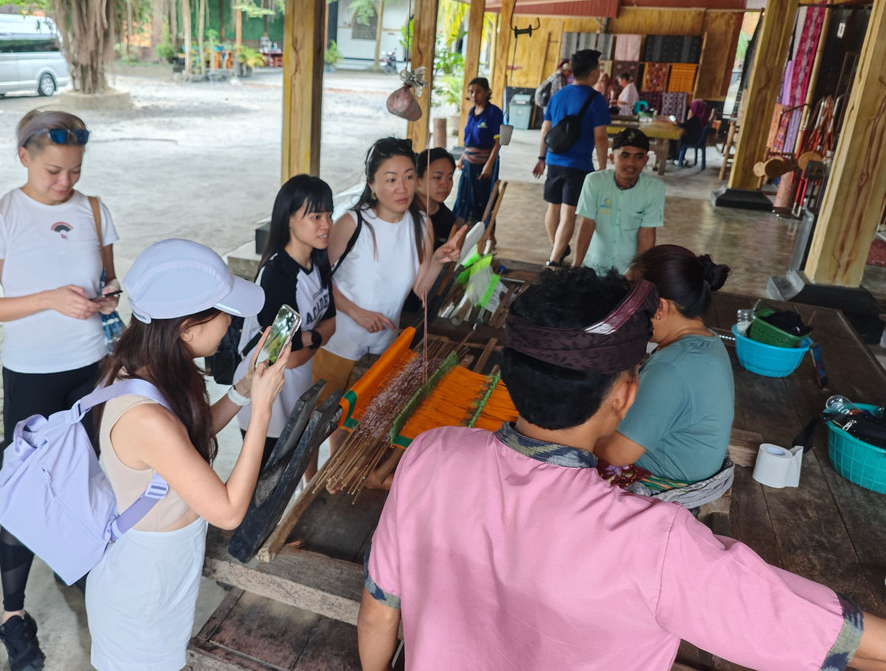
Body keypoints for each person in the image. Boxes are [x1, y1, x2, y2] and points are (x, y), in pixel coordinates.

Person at [358, 266, 886, 671]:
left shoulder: (430, 457)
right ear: (626, 395)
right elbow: (806, 628)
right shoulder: (653, 542)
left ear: (508, 374)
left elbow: (380, 611)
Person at [85, 239, 290, 671]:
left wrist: (245, 389)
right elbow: (230, 511)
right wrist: (265, 408)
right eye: (224, 313)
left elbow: (185, 441)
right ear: (187, 327)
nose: (231, 323)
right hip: (143, 596)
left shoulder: (147, 369)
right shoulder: (145, 418)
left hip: (165, 575)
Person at [0, 109, 121, 671]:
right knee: (26, 489)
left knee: (85, 473)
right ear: (24, 157)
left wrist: (107, 295)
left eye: (75, 171)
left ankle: (73, 561)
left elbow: (110, 279)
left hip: (92, 367)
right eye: (54, 170)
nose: (65, 183)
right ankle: (13, 617)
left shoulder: (94, 210)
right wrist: (50, 299)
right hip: (31, 374)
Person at [310, 137, 463, 400]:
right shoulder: (352, 223)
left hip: (383, 348)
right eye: (391, 179)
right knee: (326, 424)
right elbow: (317, 279)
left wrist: (438, 260)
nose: (402, 188)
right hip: (336, 344)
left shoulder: (422, 224)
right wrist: (356, 313)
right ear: (371, 184)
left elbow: (420, 288)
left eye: (409, 177)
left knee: (358, 426)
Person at [594, 245, 734, 484]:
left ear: (659, 308)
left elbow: (617, 454)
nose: (624, 312)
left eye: (629, 302)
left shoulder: (673, 367)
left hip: (663, 480)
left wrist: (575, 430)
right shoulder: (705, 341)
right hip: (693, 466)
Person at [232, 175, 337, 470]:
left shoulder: (318, 262)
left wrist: (305, 339)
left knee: (293, 466)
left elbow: (332, 325)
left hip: (297, 387)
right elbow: (283, 357)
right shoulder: (278, 275)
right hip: (265, 395)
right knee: (264, 478)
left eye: (329, 214)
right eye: (315, 216)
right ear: (289, 219)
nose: (326, 224)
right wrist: (316, 338)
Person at [533, 48, 611, 268]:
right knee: (569, 212)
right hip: (579, 165)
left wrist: (542, 156)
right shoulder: (596, 100)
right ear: (594, 72)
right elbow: (601, 138)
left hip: (554, 161)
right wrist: (603, 168)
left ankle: (557, 246)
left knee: (553, 207)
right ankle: (555, 259)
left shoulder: (558, 96)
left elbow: (545, 129)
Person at [573, 128, 664, 275]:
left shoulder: (654, 189)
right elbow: (587, 224)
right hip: (594, 265)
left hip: (627, 270)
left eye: (639, 157)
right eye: (625, 155)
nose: (631, 163)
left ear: (646, 160)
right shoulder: (594, 181)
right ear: (612, 157)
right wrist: (576, 265)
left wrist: (638, 271)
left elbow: (647, 233)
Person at [403, 148, 457, 317]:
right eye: (437, 177)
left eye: (450, 178)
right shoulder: (402, 214)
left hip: (423, 300)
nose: (445, 184)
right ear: (417, 180)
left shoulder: (448, 219)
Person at [452, 77, 502, 226]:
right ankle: (463, 234)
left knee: (484, 201)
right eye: (471, 92)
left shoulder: (494, 112)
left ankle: (488, 237)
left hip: (484, 166)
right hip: (469, 165)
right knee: (464, 200)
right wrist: (462, 157)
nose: (474, 95)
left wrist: (489, 164)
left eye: (478, 91)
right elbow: (469, 141)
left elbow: (497, 143)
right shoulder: (472, 111)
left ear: (487, 92)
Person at [675, 99, 712, 167]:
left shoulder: (695, 118)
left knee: (675, 138)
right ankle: (679, 157)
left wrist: (676, 123)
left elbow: (684, 125)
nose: (690, 110)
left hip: (693, 140)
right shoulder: (703, 118)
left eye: (692, 108)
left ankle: (676, 158)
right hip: (699, 140)